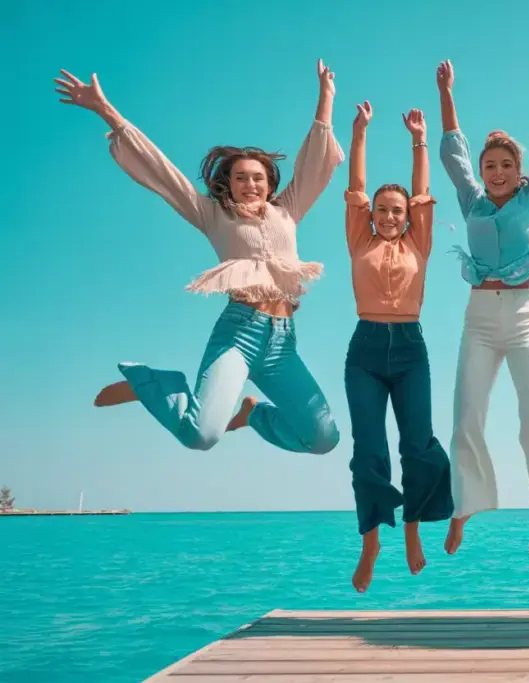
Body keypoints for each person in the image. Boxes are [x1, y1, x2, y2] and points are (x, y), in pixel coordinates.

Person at [54, 61, 344, 454]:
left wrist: (325, 100)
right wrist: (108, 112)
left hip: (282, 343)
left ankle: (254, 414)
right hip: (239, 334)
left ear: (269, 183)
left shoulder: (287, 209)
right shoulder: (211, 214)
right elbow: (163, 173)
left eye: (258, 177)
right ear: (228, 183)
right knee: (201, 435)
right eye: (241, 177)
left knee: (323, 439)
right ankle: (156, 383)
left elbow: (315, 165)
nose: (250, 184)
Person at [435, 58, 529, 561]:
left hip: (523, 314)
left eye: (504, 166)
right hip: (478, 318)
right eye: (489, 166)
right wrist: (447, 92)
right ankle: (465, 505)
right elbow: (453, 152)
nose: (495, 173)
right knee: (466, 414)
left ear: (518, 173)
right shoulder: (472, 203)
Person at [343, 101, 454, 592]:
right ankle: (371, 542)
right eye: (382, 210)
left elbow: (425, 191)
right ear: (371, 215)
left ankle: (412, 527)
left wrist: (419, 140)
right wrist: (360, 133)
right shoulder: (358, 241)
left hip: (411, 349)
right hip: (364, 350)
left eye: (398, 211)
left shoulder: (419, 244)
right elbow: (356, 188)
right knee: (369, 449)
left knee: (419, 445)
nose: (389, 216)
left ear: (409, 217)